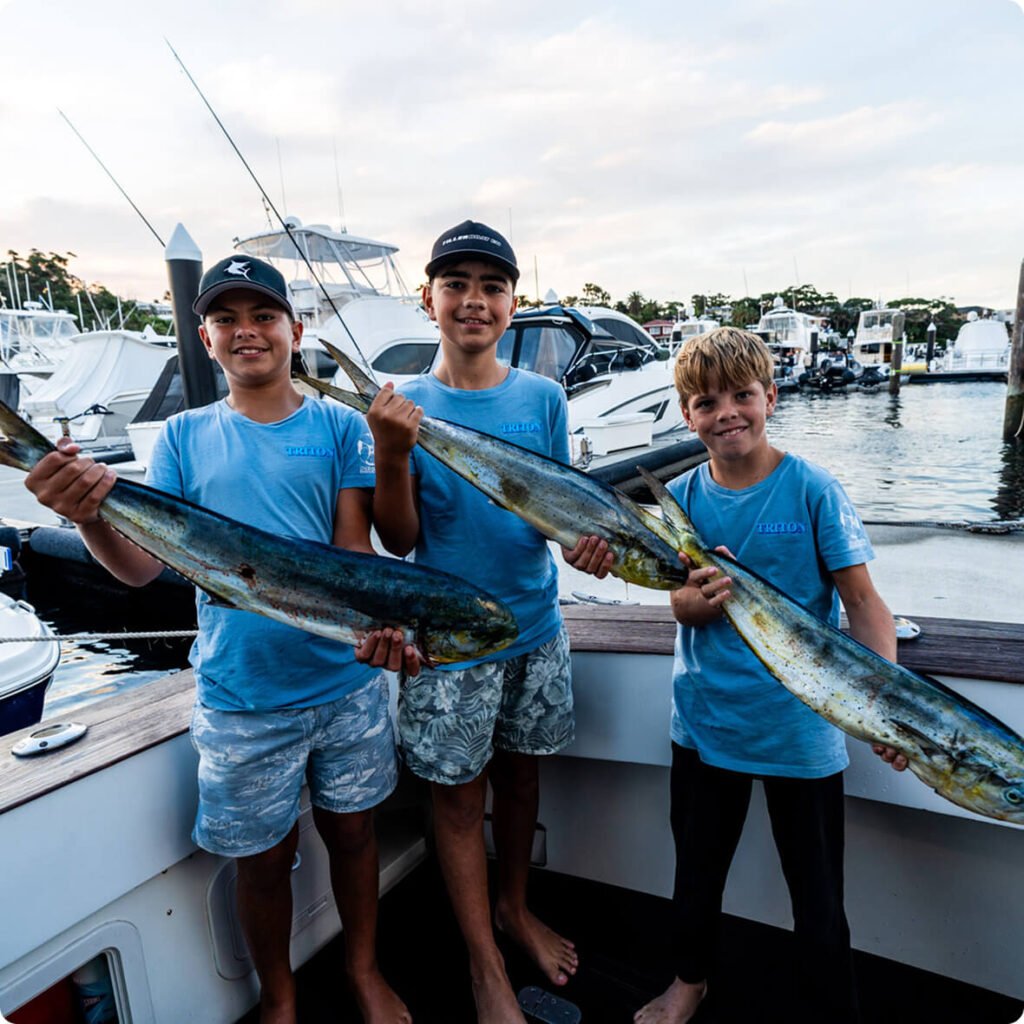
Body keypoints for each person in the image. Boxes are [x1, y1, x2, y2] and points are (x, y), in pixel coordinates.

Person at [24, 255, 417, 1024]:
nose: (247, 332)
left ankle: (364, 970)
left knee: (355, 835)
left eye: (264, 316)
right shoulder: (180, 437)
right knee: (261, 863)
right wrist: (88, 514)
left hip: (346, 684)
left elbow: (352, 558)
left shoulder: (340, 426)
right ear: (204, 339)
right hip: (242, 696)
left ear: (295, 331)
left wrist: (379, 629)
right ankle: (280, 996)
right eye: (227, 319)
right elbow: (139, 569)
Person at [366, 220, 612, 1023]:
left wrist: (590, 548)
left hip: (536, 628)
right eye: (457, 284)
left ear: (512, 303)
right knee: (457, 798)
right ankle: (483, 965)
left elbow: (556, 509)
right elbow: (399, 540)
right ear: (428, 297)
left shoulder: (542, 398)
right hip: (447, 642)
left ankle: (514, 909)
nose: (474, 301)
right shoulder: (405, 404)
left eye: (492, 286)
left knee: (523, 773)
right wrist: (393, 454)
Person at [634, 326, 907, 1024]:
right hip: (703, 722)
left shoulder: (813, 489)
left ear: (770, 398)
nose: (726, 412)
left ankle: (829, 1008)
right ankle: (688, 982)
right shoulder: (682, 498)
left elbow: (865, 604)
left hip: (799, 730)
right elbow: (679, 601)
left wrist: (887, 708)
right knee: (695, 875)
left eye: (741, 396)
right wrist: (693, 601)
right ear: (686, 415)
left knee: (817, 895)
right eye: (705, 401)